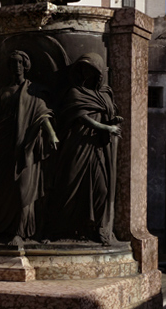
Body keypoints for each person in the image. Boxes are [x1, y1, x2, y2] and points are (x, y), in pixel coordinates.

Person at [0, 51, 59, 246]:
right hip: (2, 145)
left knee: (22, 188)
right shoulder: (4, 92)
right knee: (0, 188)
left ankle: (21, 231)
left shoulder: (34, 91)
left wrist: (52, 134)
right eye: (13, 63)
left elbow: (43, 114)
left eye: (19, 63)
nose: (16, 66)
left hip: (25, 144)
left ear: (26, 65)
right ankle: (2, 230)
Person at [47, 53, 123, 245]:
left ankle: (94, 229)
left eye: (90, 68)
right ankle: (62, 230)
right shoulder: (75, 92)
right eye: (82, 68)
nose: (85, 72)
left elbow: (107, 114)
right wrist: (107, 127)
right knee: (70, 185)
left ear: (98, 71)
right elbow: (80, 116)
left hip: (97, 149)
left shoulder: (104, 94)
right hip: (77, 145)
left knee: (102, 190)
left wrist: (112, 121)